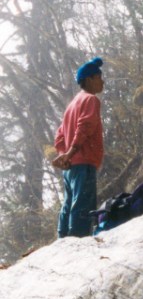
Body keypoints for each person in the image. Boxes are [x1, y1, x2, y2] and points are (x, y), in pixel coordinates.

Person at [52, 57, 104, 238]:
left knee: (68, 204)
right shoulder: (90, 100)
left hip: (70, 167)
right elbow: (86, 127)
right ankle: (77, 241)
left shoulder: (71, 105)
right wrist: (71, 152)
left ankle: (63, 240)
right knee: (82, 205)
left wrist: (64, 155)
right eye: (99, 77)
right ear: (89, 79)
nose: (102, 81)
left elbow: (59, 136)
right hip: (84, 162)